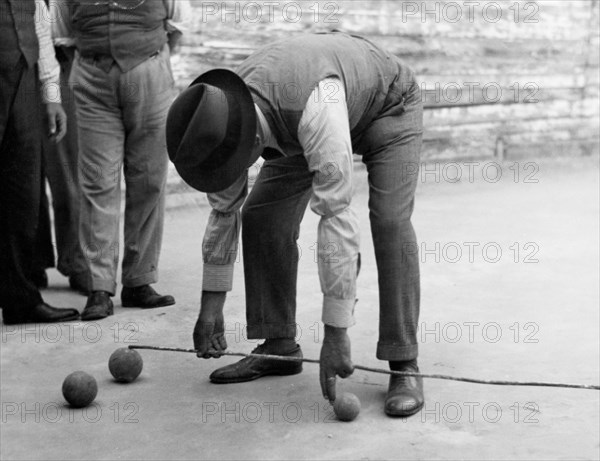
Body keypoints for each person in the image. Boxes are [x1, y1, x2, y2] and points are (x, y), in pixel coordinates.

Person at [167, 32, 425, 417]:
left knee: (389, 222)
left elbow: (335, 215)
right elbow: (224, 213)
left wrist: (335, 332)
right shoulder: (218, 118)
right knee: (262, 215)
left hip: (388, 104)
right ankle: (279, 345)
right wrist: (211, 306)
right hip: (301, 115)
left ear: (253, 141)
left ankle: (404, 361)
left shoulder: (315, 110)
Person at [51, 0, 191, 320]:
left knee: (149, 179)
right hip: (92, 79)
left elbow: (177, 24)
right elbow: (62, 33)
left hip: (151, 75)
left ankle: (138, 281)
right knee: (98, 182)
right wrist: (97, 64)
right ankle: (99, 286)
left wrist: (149, 60)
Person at [0, 0, 80, 324]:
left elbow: (41, 27)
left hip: (23, 79)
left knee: (23, 195)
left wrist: (51, 94)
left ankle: (21, 300)